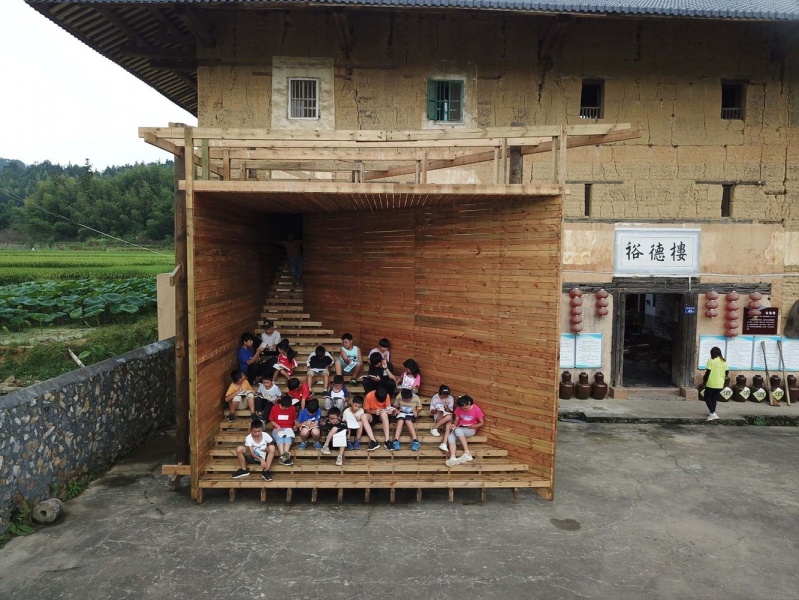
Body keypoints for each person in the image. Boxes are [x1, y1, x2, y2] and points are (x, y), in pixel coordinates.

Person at [443, 395, 484, 467]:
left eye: (465, 408)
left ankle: (467, 452)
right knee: (450, 437)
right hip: (460, 428)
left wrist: (473, 426)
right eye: (462, 409)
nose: (464, 410)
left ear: (469, 403)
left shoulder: (476, 409)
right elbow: (456, 420)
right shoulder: (459, 408)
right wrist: (454, 425)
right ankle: (453, 457)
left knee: (458, 431)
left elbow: (482, 423)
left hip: (471, 429)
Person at [363, 386, 396, 451]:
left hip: (383, 414)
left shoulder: (387, 395)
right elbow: (366, 410)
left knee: (383, 414)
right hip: (372, 414)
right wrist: (374, 411)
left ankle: (387, 440)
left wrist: (390, 411)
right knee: (363, 416)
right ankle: (373, 441)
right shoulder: (369, 396)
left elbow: (388, 408)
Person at [269, 395, 297, 465]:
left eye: (288, 407)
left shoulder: (292, 408)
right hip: (277, 428)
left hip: (288, 428)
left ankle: (283, 458)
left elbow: (295, 419)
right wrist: (277, 426)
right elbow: (271, 420)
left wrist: (295, 425)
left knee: (288, 438)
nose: (287, 408)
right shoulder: (274, 408)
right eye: (285, 407)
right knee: (280, 438)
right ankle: (284, 456)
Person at [703, 346, 729, 421]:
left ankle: (713, 413)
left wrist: (705, 380)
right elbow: (727, 372)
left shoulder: (711, 361)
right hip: (720, 383)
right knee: (714, 398)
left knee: (707, 397)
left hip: (711, 382)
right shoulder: (724, 361)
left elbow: (708, 372)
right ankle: (712, 412)